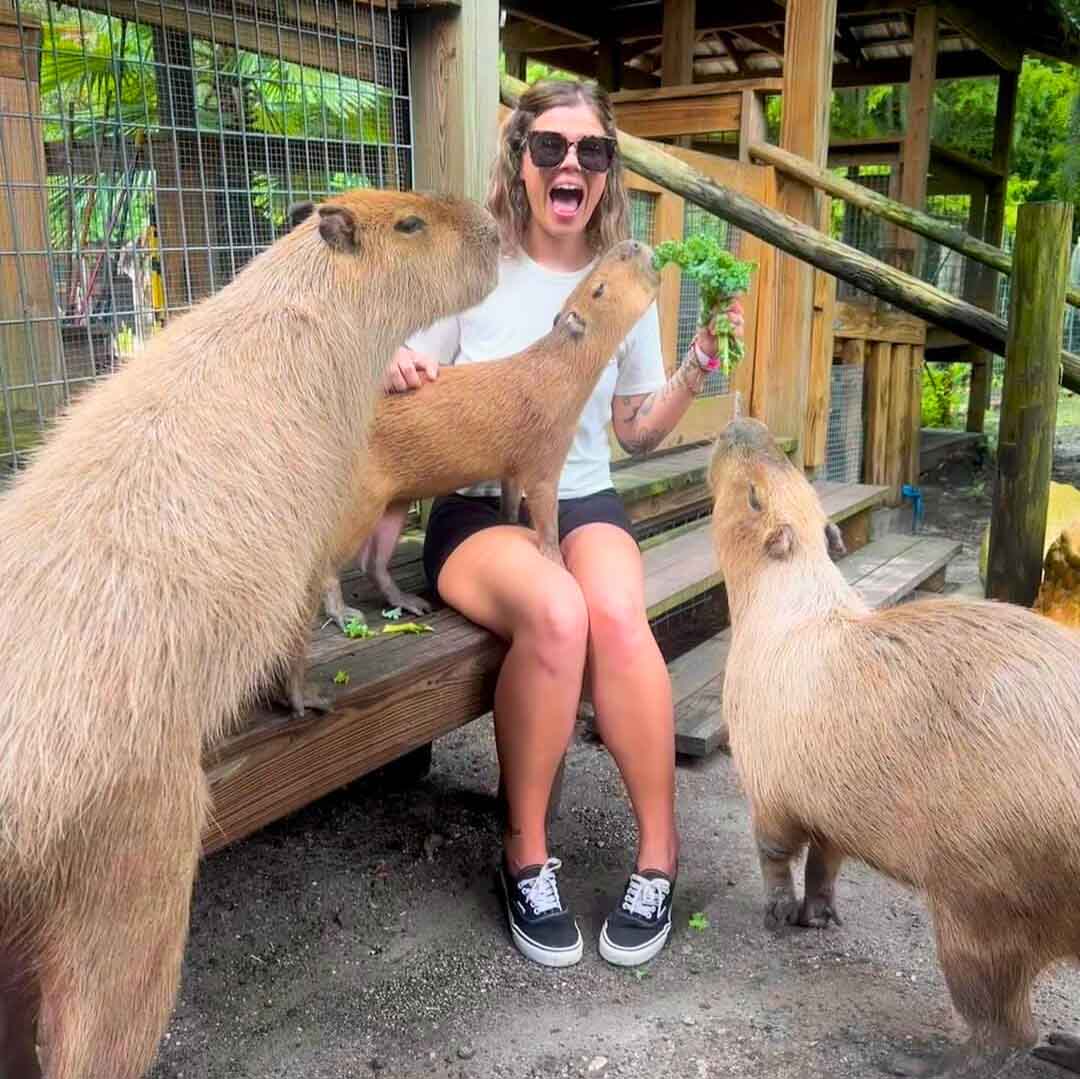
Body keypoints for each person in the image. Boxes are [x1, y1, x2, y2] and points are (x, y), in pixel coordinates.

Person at [384, 78, 743, 969]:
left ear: (607, 169)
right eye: (549, 146)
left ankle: (659, 857)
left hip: (583, 497)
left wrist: (698, 366)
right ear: (522, 157)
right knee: (558, 612)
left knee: (619, 617)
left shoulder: (623, 282)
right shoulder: (474, 269)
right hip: (476, 507)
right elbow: (411, 377)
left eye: (588, 150)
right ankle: (526, 856)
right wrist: (391, 359)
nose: (568, 164)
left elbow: (632, 428)